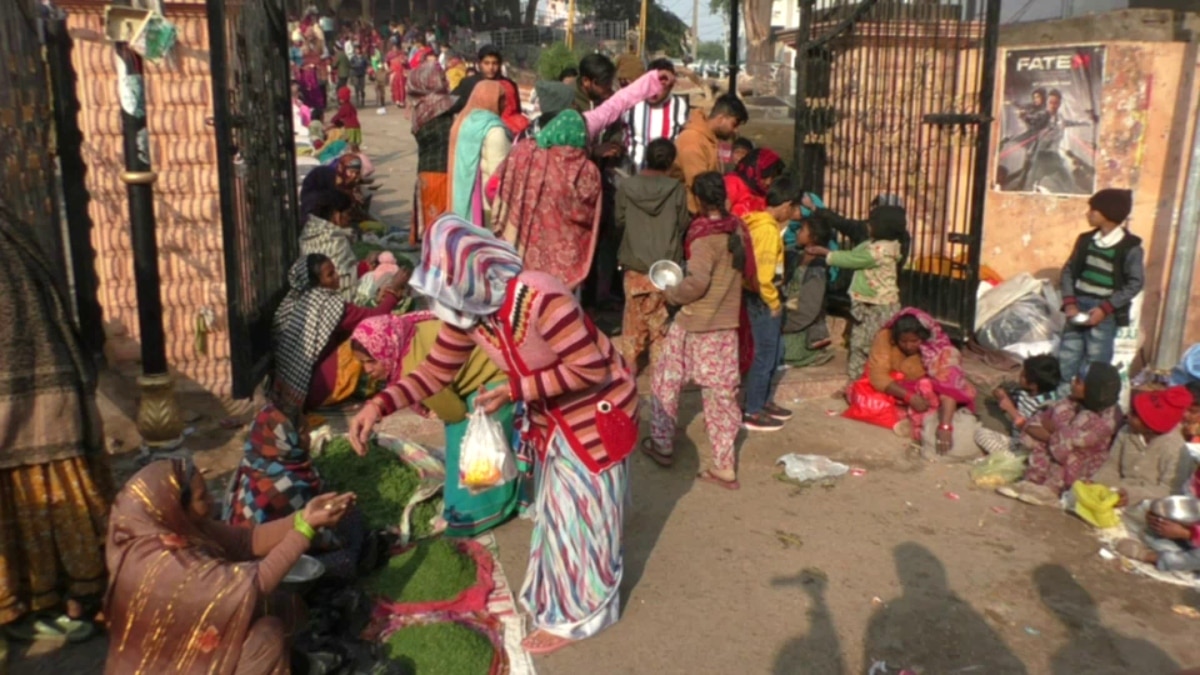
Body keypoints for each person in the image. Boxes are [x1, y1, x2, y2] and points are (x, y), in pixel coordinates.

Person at [349, 216, 638, 655]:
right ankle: (563, 603)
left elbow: (591, 368)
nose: (446, 306)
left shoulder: (542, 297)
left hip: (597, 410)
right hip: (553, 416)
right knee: (561, 512)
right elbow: (433, 371)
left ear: (472, 277)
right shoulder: (471, 314)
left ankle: (583, 616)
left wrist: (514, 390)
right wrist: (378, 405)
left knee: (586, 517)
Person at [104, 459, 354, 674]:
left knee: (284, 605)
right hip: (174, 665)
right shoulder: (166, 562)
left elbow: (246, 541)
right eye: (203, 498)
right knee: (267, 637)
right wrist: (305, 530)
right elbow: (256, 584)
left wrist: (302, 517)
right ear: (175, 506)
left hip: (187, 650)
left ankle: (297, 665)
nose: (212, 502)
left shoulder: (177, 527)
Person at [0, 205, 112, 641]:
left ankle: (72, 595)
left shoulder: (10, 224)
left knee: (64, 492)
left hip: (48, 395)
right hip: (21, 403)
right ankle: (28, 608)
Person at [351, 312, 522, 536]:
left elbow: (455, 411)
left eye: (371, 360)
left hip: (494, 381)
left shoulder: (413, 365)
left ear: (386, 347)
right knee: (470, 447)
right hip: (496, 367)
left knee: (469, 449)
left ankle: (475, 513)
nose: (367, 370)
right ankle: (466, 504)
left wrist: (437, 408)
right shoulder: (407, 333)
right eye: (362, 363)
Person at [647, 173, 754, 489]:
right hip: (725, 326)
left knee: (667, 381)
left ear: (698, 199)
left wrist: (671, 292)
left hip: (695, 324)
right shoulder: (737, 229)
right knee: (722, 396)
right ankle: (724, 466)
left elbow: (696, 283)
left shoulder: (705, 238)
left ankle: (662, 443)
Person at [223, 406, 371, 581]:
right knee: (347, 551)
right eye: (302, 432)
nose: (308, 435)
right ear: (283, 441)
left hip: (248, 543)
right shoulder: (286, 485)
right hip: (259, 567)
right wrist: (339, 537)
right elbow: (314, 537)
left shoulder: (254, 459)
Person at [270, 254, 407, 419]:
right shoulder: (326, 303)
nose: (337, 277)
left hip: (290, 393)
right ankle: (340, 394)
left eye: (334, 271)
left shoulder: (292, 301)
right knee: (361, 339)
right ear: (316, 283)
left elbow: (351, 320)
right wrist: (394, 290)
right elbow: (374, 319)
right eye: (330, 275)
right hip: (315, 391)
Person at [490, 110, 601, 290]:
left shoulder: (526, 152)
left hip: (523, 249)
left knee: (523, 299)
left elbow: (498, 183)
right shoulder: (588, 171)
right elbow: (588, 215)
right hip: (564, 259)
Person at [847, 308, 977, 453]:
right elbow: (878, 375)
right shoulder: (885, 337)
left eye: (914, 341)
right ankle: (913, 422)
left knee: (931, 391)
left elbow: (948, 389)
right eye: (903, 341)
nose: (909, 346)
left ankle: (916, 422)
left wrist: (945, 427)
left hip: (925, 392)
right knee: (863, 393)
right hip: (895, 389)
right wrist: (909, 397)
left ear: (923, 337)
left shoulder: (942, 350)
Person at [806, 204, 907, 379]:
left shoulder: (880, 250)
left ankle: (871, 383)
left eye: (871, 222)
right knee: (858, 344)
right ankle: (855, 384)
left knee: (870, 346)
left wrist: (826, 253)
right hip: (868, 305)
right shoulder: (879, 244)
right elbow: (857, 252)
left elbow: (852, 259)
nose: (867, 226)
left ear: (884, 227)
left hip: (878, 307)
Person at [614, 138, 688, 375]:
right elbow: (683, 224)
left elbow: (619, 221)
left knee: (632, 323)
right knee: (660, 327)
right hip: (665, 270)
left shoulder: (626, 187)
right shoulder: (676, 189)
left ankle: (629, 374)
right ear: (671, 161)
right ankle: (660, 380)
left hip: (634, 265)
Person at [1001, 361, 1122, 504]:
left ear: (1092, 388)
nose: (1072, 383)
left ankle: (1050, 491)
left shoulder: (1108, 419)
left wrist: (1053, 432)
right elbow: (1034, 423)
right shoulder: (1071, 402)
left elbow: (1065, 447)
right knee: (1048, 446)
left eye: (1078, 382)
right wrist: (1057, 435)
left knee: (1065, 455)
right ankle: (1032, 482)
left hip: (1082, 467)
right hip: (1060, 448)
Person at [1058, 188, 1143, 388]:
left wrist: (1105, 309)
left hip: (1104, 312)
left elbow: (1135, 283)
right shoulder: (1086, 241)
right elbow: (1068, 272)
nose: (1088, 214)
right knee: (1068, 355)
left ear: (1109, 214)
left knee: (1095, 362)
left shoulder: (1130, 247)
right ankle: (1061, 404)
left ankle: (1088, 407)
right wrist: (1070, 304)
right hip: (1078, 305)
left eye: (1093, 210)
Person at [741, 176, 800, 431]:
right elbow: (764, 275)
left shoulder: (760, 224)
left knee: (772, 352)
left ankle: (763, 401)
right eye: (794, 207)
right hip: (762, 297)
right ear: (786, 205)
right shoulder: (766, 229)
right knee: (765, 354)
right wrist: (774, 302)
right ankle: (753, 409)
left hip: (759, 294)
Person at [1095, 386, 1194, 506]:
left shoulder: (1176, 450)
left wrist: (1132, 495)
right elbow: (1112, 465)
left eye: (1135, 415)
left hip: (1151, 507)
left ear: (1150, 426)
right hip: (1117, 494)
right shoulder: (1127, 431)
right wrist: (1098, 483)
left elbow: (1170, 490)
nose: (1128, 416)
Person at [448, 80, 511, 227]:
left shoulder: (464, 122)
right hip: (487, 206)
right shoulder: (495, 131)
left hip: (463, 198)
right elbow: (499, 174)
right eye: (501, 99)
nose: (504, 104)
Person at [673, 94, 749, 213]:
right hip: (690, 217)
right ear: (721, 118)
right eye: (734, 124)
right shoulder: (692, 140)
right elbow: (699, 187)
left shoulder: (709, 140)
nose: (735, 130)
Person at [408, 62, 457, 245]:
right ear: (430, 81)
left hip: (425, 173)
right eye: (442, 77)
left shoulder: (418, 108)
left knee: (431, 227)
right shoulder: (440, 104)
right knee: (442, 230)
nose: (446, 80)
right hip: (441, 173)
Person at [974, 354, 1062, 455]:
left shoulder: (1047, 405)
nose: (1019, 376)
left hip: (1030, 446)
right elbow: (1002, 391)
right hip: (1016, 440)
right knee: (981, 434)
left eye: (1023, 376)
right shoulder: (1025, 391)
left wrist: (1011, 410)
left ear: (1033, 385)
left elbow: (1042, 436)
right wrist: (1000, 394)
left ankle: (1012, 459)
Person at [780, 217, 834, 368]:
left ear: (813, 238)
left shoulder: (817, 267)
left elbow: (809, 308)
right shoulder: (796, 254)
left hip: (802, 326)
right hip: (789, 315)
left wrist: (786, 323)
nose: (797, 232)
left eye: (802, 230)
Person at [623, 58, 689, 171]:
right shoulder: (631, 101)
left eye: (660, 86)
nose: (653, 92)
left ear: (670, 85)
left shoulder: (679, 105)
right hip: (634, 174)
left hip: (664, 176)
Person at [298, 189, 359, 298]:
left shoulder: (307, 233)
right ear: (337, 215)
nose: (350, 218)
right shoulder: (337, 241)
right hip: (337, 300)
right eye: (348, 213)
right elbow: (346, 281)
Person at [725, 148, 785, 217]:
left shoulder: (765, 195)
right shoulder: (733, 183)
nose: (768, 182)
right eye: (764, 176)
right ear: (754, 170)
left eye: (773, 177)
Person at [386, 42, 408, 108]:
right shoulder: (390, 55)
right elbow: (386, 63)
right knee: (394, 87)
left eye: (396, 48)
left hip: (401, 74)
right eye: (393, 48)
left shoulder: (402, 55)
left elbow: (406, 63)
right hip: (394, 73)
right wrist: (388, 70)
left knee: (402, 88)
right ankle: (397, 100)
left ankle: (402, 101)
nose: (395, 49)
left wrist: (403, 62)